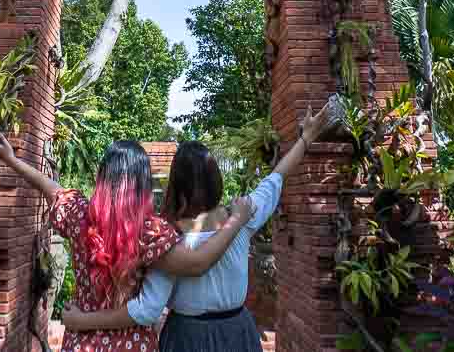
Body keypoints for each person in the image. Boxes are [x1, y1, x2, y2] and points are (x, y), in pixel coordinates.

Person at [60, 107, 335, 352]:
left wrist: (83, 321)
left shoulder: (165, 237)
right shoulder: (243, 214)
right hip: (237, 331)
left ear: (176, 188)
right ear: (216, 182)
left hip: (185, 337)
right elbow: (276, 177)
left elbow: (147, 309)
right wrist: (306, 138)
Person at [0, 133, 256, 352]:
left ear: (103, 176)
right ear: (143, 183)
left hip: (82, 341)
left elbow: (52, 189)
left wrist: (11, 159)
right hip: (134, 344)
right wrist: (237, 220)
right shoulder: (151, 232)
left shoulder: (80, 214)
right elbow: (198, 262)